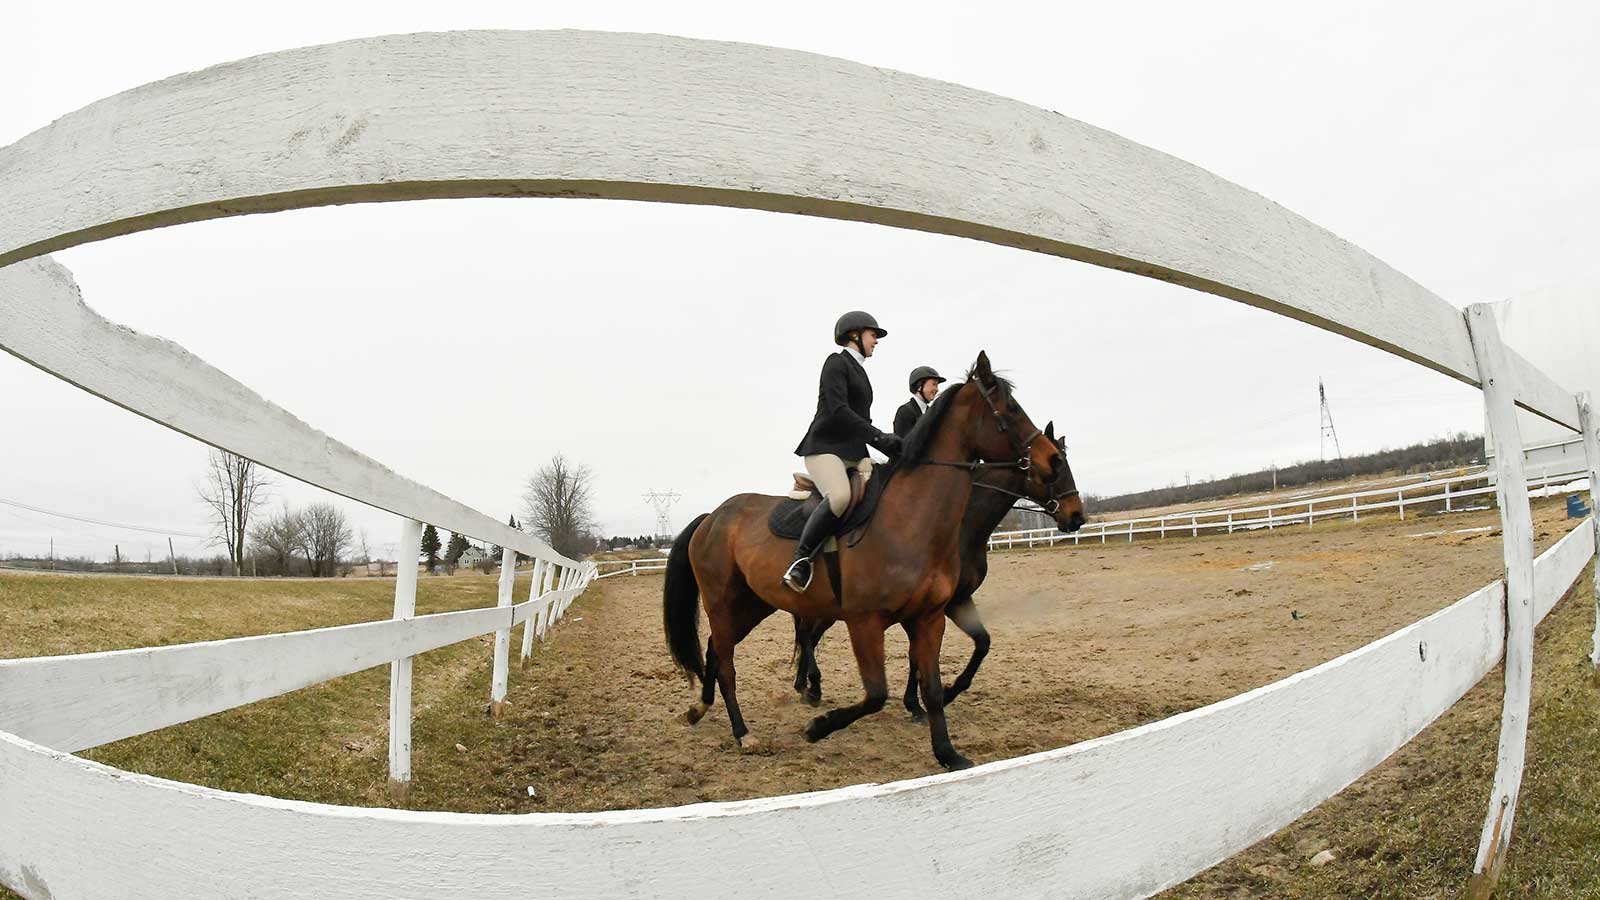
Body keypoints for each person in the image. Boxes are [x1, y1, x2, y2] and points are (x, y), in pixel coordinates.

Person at [785, 311, 904, 592]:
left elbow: (862, 421)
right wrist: (879, 438)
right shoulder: (836, 363)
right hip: (825, 448)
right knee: (839, 497)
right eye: (873, 335)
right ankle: (800, 561)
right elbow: (839, 412)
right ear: (855, 335)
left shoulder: (860, 371)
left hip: (853, 450)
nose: (876, 341)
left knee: (887, 486)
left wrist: (891, 444)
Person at [894, 366, 946, 437]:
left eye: (937, 386)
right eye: (934, 384)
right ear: (920, 386)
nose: (937, 389)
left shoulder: (933, 414)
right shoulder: (905, 411)